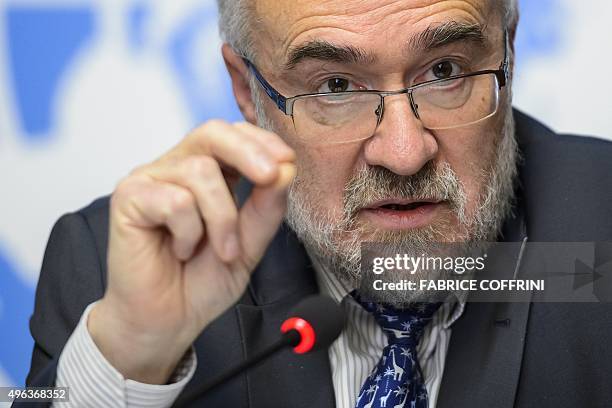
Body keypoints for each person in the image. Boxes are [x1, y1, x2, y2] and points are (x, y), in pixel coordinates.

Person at [21, 0, 612, 407]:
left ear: (507, 53)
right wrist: (132, 357)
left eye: (445, 71)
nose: (404, 153)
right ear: (247, 92)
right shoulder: (113, 269)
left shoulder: (601, 228)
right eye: (335, 86)